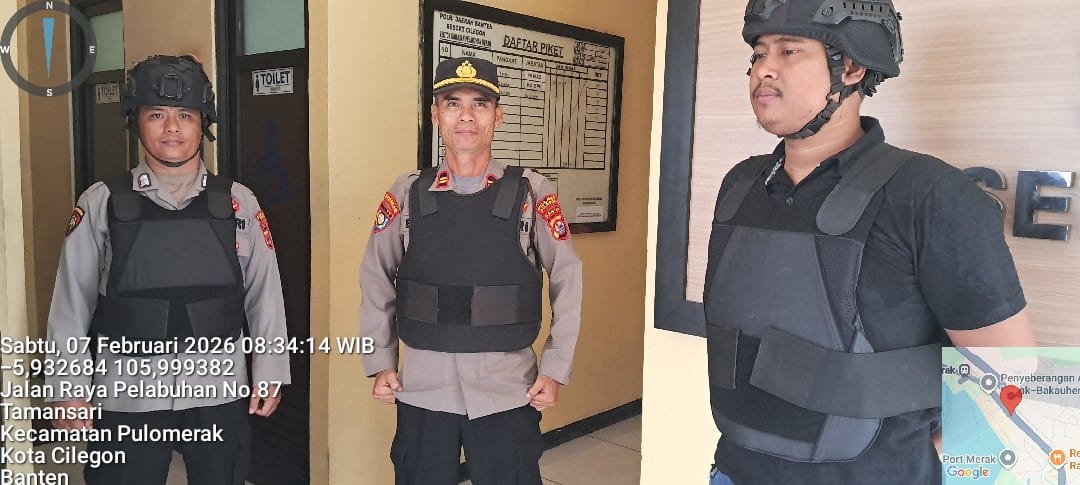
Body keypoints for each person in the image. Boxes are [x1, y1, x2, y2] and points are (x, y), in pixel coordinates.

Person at [703, 1, 1036, 483]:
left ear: (853, 68)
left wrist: (923, 462)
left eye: (789, 51)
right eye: (758, 53)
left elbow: (1015, 372)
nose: (763, 70)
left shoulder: (930, 195)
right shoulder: (740, 185)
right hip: (734, 472)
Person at [45, 54, 291, 485]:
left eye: (185, 115)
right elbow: (71, 304)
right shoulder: (101, 202)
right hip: (128, 391)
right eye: (157, 114)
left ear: (203, 123)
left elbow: (264, 294)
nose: (172, 128)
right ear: (136, 121)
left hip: (217, 388)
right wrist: (68, 386)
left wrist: (270, 372)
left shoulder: (238, 201)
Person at [359, 56, 583, 485]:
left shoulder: (530, 192)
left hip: (507, 391)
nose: (466, 116)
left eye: (480, 103)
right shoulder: (407, 192)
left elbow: (567, 278)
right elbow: (375, 275)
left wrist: (555, 368)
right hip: (423, 390)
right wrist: (380, 360)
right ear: (435, 115)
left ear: (498, 116)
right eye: (452, 103)